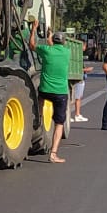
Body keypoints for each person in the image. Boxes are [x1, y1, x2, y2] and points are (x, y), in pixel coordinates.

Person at [33, 28, 70, 163]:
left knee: (40, 98)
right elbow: (52, 46)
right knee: (59, 123)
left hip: (45, 90)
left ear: (52, 41)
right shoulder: (67, 52)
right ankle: (53, 154)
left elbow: (32, 44)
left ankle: (39, 117)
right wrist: (50, 38)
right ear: (64, 42)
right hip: (60, 92)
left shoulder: (46, 51)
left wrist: (33, 29)